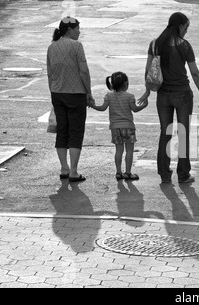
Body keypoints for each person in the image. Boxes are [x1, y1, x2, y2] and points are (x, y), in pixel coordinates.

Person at [138, 12, 199, 184]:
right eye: (186, 27)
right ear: (180, 26)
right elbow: (195, 73)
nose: (186, 31)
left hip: (163, 96)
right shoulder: (184, 45)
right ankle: (183, 174)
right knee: (183, 133)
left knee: (165, 133)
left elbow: (148, 72)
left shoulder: (155, 44)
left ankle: (164, 173)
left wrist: (147, 93)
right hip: (182, 94)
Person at [47, 16, 94, 183]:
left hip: (57, 94)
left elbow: (49, 74)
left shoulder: (52, 47)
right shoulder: (77, 46)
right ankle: (74, 171)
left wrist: (53, 92)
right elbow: (84, 72)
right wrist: (89, 93)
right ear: (69, 29)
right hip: (76, 94)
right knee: (75, 132)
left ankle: (64, 168)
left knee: (62, 131)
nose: (79, 32)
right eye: (77, 29)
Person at [88, 72, 148, 181]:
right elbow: (134, 109)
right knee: (129, 150)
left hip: (115, 127)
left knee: (118, 150)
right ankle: (128, 173)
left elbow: (102, 108)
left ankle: (118, 172)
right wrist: (144, 105)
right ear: (126, 83)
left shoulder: (109, 96)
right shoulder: (129, 96)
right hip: (128, 127)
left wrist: (93, 105)